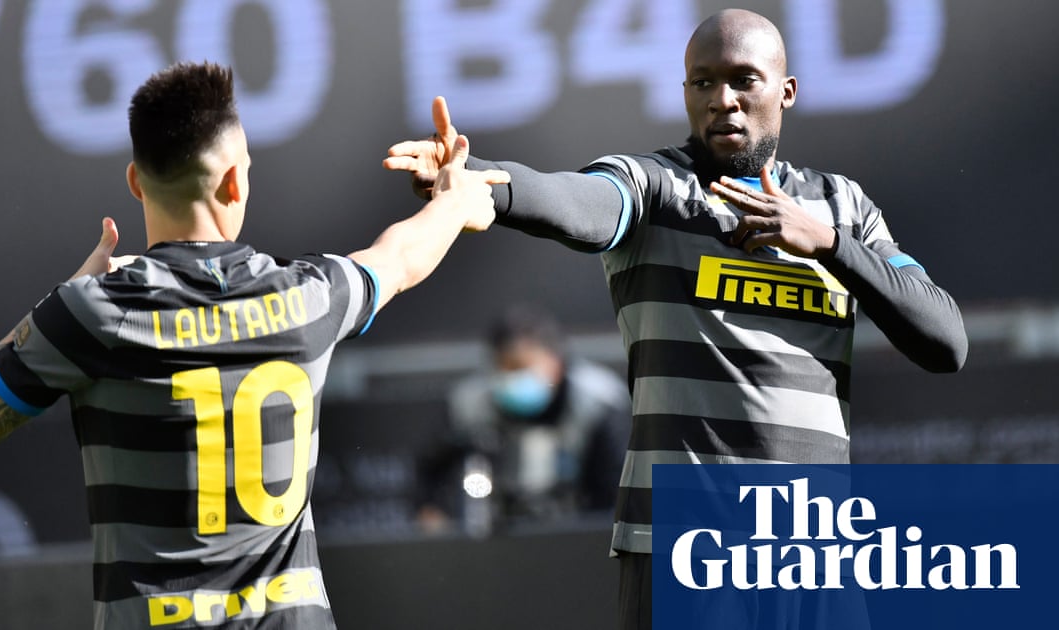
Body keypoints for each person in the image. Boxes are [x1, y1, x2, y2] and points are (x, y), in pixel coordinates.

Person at [384, 8, 968, 629]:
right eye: (703, 82)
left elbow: (945, 341)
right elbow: (576, 202)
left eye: (744, 80)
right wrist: (479, 181)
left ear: (787, 91)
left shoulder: (841, 207)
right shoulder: (655, 188)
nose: (723, 100)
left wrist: (827, 244)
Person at [0, 61, 507, 629]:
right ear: (235, 181)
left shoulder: (93, 314)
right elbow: (399, 258)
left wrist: (63, 300)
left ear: (136, 181)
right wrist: (451, 200)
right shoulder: (308, 298)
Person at [416, 303, 628, 532]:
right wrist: (432, 512)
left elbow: (619, 484)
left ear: (555, 363)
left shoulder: (598, 402)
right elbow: (430, 467)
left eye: (522, 367)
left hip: (582, 527)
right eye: (504, 367)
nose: (512, 377)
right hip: (496, 532)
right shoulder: (468, 404)